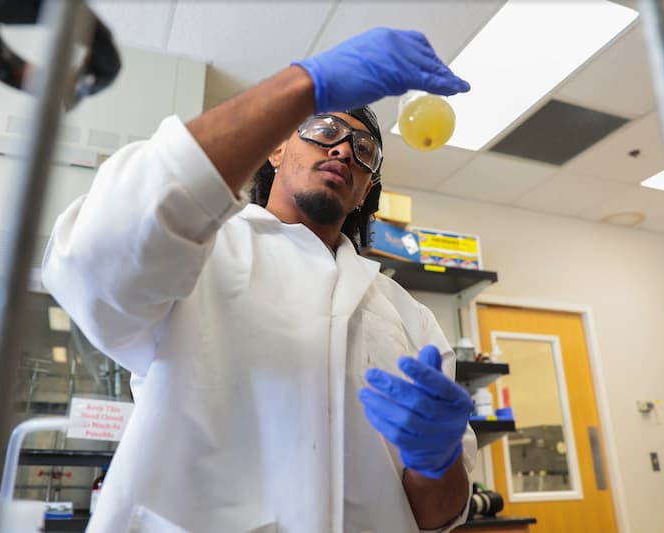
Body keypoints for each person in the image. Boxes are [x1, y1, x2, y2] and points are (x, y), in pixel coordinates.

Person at [42, 27, 476, 533]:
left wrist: (438, 462)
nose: (343, 152)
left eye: (364, 150)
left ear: (363, 194)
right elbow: (93, 257)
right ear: (275, 151)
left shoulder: (408, 315)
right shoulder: (201, 251)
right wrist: (302, 86)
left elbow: (440, 518)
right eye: (323, 129)